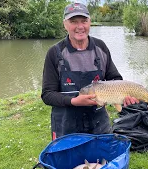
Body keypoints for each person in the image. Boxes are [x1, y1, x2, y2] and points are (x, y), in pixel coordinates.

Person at [41, 2, 138, 140]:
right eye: (73, 21)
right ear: (65, 24)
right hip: (66, 125)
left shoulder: (101, 48)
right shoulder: (55, 53)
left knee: (99, 160)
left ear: (90, 22)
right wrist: (74, 101)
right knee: (70, 161)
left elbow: (115, 79)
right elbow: (47, 94)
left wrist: (123, 96)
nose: (80, 27)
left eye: (84, 21)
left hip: (98, 123)